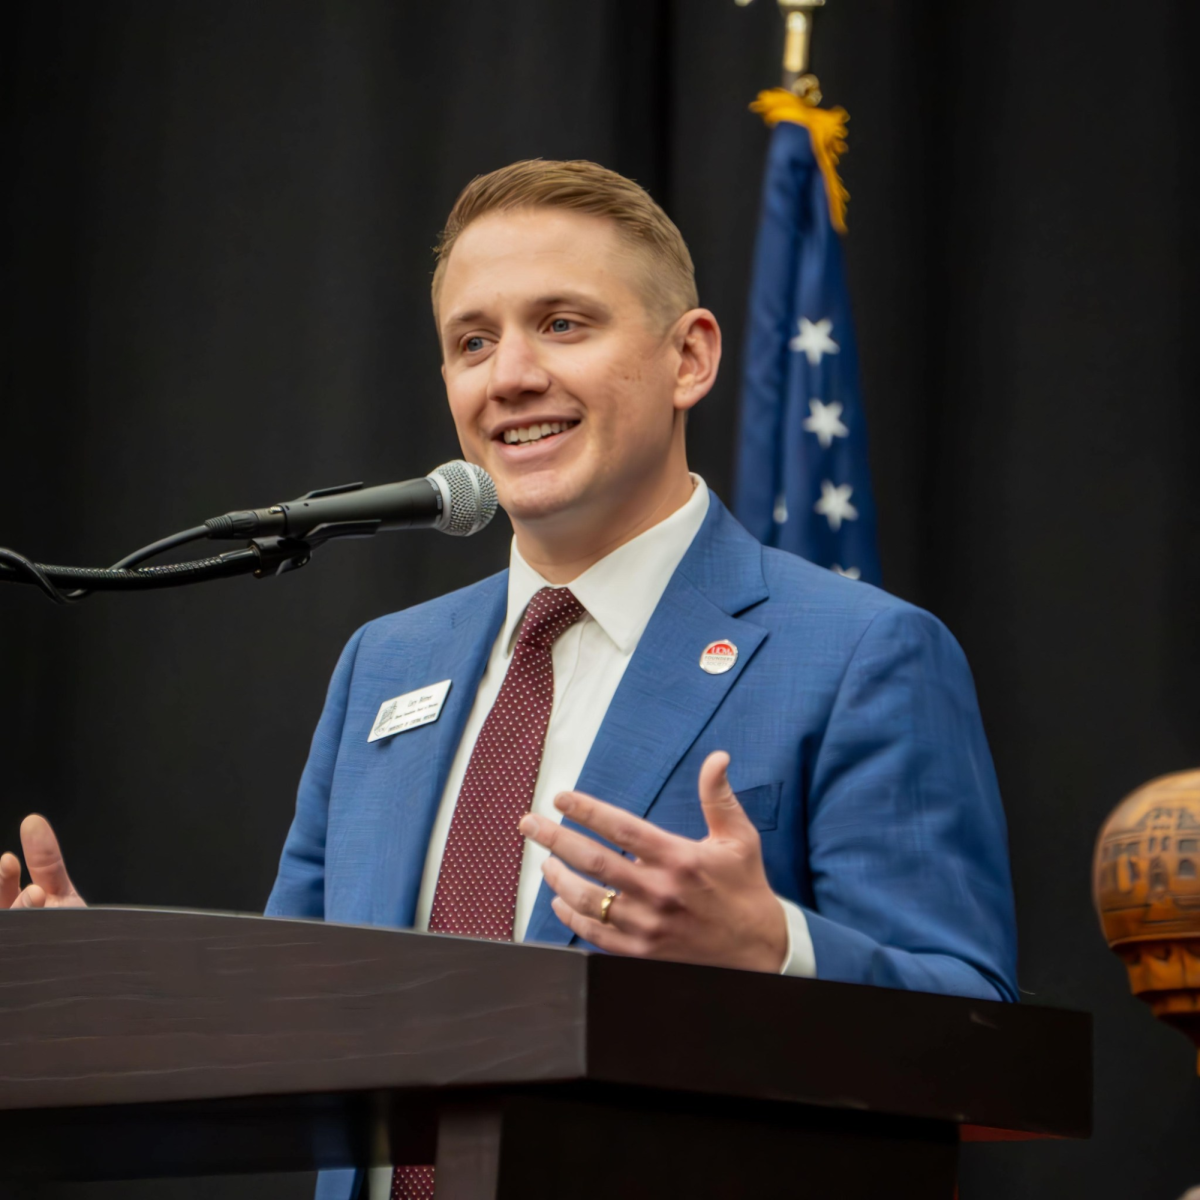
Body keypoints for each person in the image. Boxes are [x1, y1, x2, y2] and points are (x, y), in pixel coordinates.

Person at [1, 159, 1018, 1199]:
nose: (510, 376)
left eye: (565, 324)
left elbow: (974, 1035)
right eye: (472, 341)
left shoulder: (859, 654)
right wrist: (107, 984)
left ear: (690, 357)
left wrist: (773, 949)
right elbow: (295, 1014)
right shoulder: (383, 666)